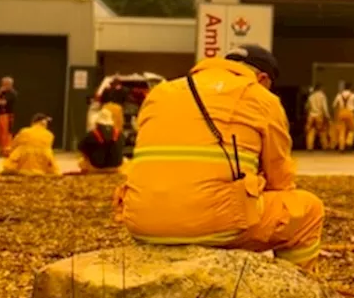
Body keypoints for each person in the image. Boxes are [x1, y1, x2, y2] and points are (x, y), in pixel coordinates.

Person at [113, 45, 325, 269]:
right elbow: (280, 180)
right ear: (263, 78)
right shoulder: (260, 97)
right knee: (309, 211)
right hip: (215, 226)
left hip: (142, 223)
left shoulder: (161, 92)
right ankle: (295, 292)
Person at [78, 109, 124, 173]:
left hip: (96, 168)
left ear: (97, 123)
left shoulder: (92, 134)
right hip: (115, 168)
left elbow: (81, 148)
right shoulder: (120, 134)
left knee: (80, 162)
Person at [0, 76, 17, 155]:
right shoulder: (1, 93)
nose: (3, 86)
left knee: (6, 133)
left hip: (7, 115)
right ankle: (0, 150)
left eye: (5, 84)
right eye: (2, 84)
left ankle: (7, 150)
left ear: (10, 84)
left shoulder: (12, 93)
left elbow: (3, 103)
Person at [331, 82, 354, 151]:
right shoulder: (353, 95)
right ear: (351, 87)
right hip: (350, 113)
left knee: (341, 130)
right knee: (352, 129)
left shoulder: (339, 95)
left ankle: (341, 147)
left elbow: (334, 105)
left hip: (341, 113)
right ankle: (348, 143)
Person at [305, 84, 331, 151]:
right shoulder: (322, 96)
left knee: (311, 131)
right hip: (319, 115)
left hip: (311, 115)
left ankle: (309, 147)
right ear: (320, 88)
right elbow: (324, 107)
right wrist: (327, 116)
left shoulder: (311, 96)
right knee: (322, 131)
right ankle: (325, 146)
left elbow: (307, 106)